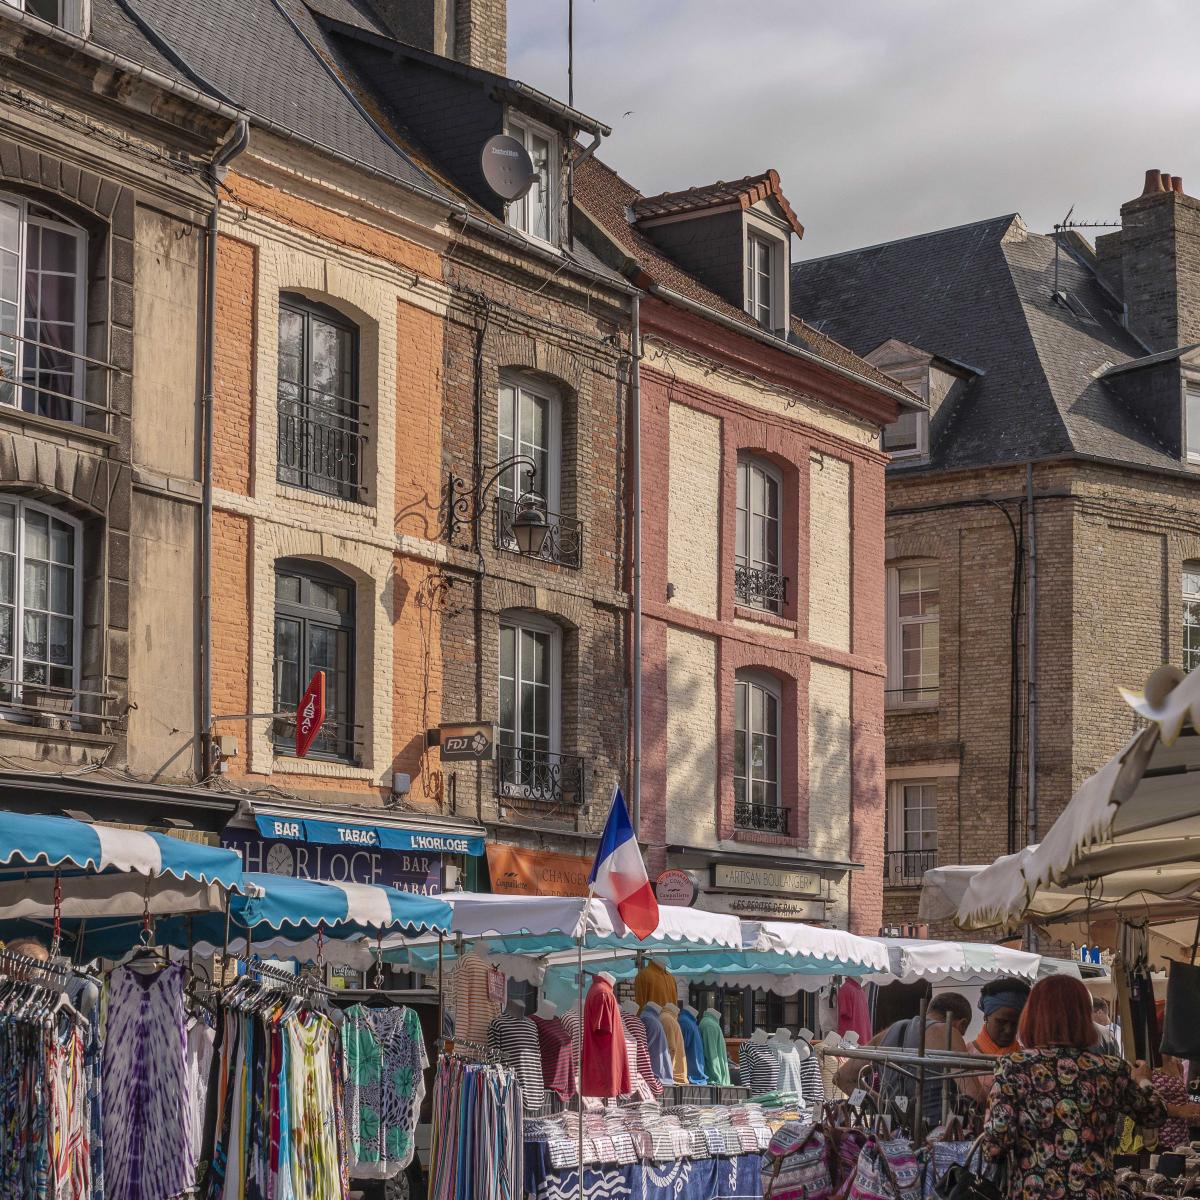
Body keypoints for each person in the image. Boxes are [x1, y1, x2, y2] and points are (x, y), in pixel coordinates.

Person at [979, 975, 1165, 1200]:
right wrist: (1143, 1079)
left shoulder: (1014, 1067)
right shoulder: (1112, 1069)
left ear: (1033, 1015)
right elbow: (1155, 1115)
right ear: (1083, 1017)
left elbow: (994, 1146)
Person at [834, 991, 974, 1127]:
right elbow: (973, 1095)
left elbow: (842, 1078)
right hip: (936, 1139)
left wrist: (881, 1105)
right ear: (961, 1024)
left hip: (892, 1140)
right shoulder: (948, 1032)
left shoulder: (886, 1034)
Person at [960, 979, 1031, 1100]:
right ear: (986, 1016)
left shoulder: (1027, 1059)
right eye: (1001, 1022)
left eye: (1015, 1023)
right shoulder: (965, 1056)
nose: (1008, 1030)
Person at [1151, 1052, 1200, 1150]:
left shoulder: (1178, 1065)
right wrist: (1179, 1110)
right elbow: (1148, 1103)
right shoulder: (1150, 1063)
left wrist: (1193, 1115)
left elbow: (1180, 1101)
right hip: (1160, 1140)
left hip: (1181, 1140)